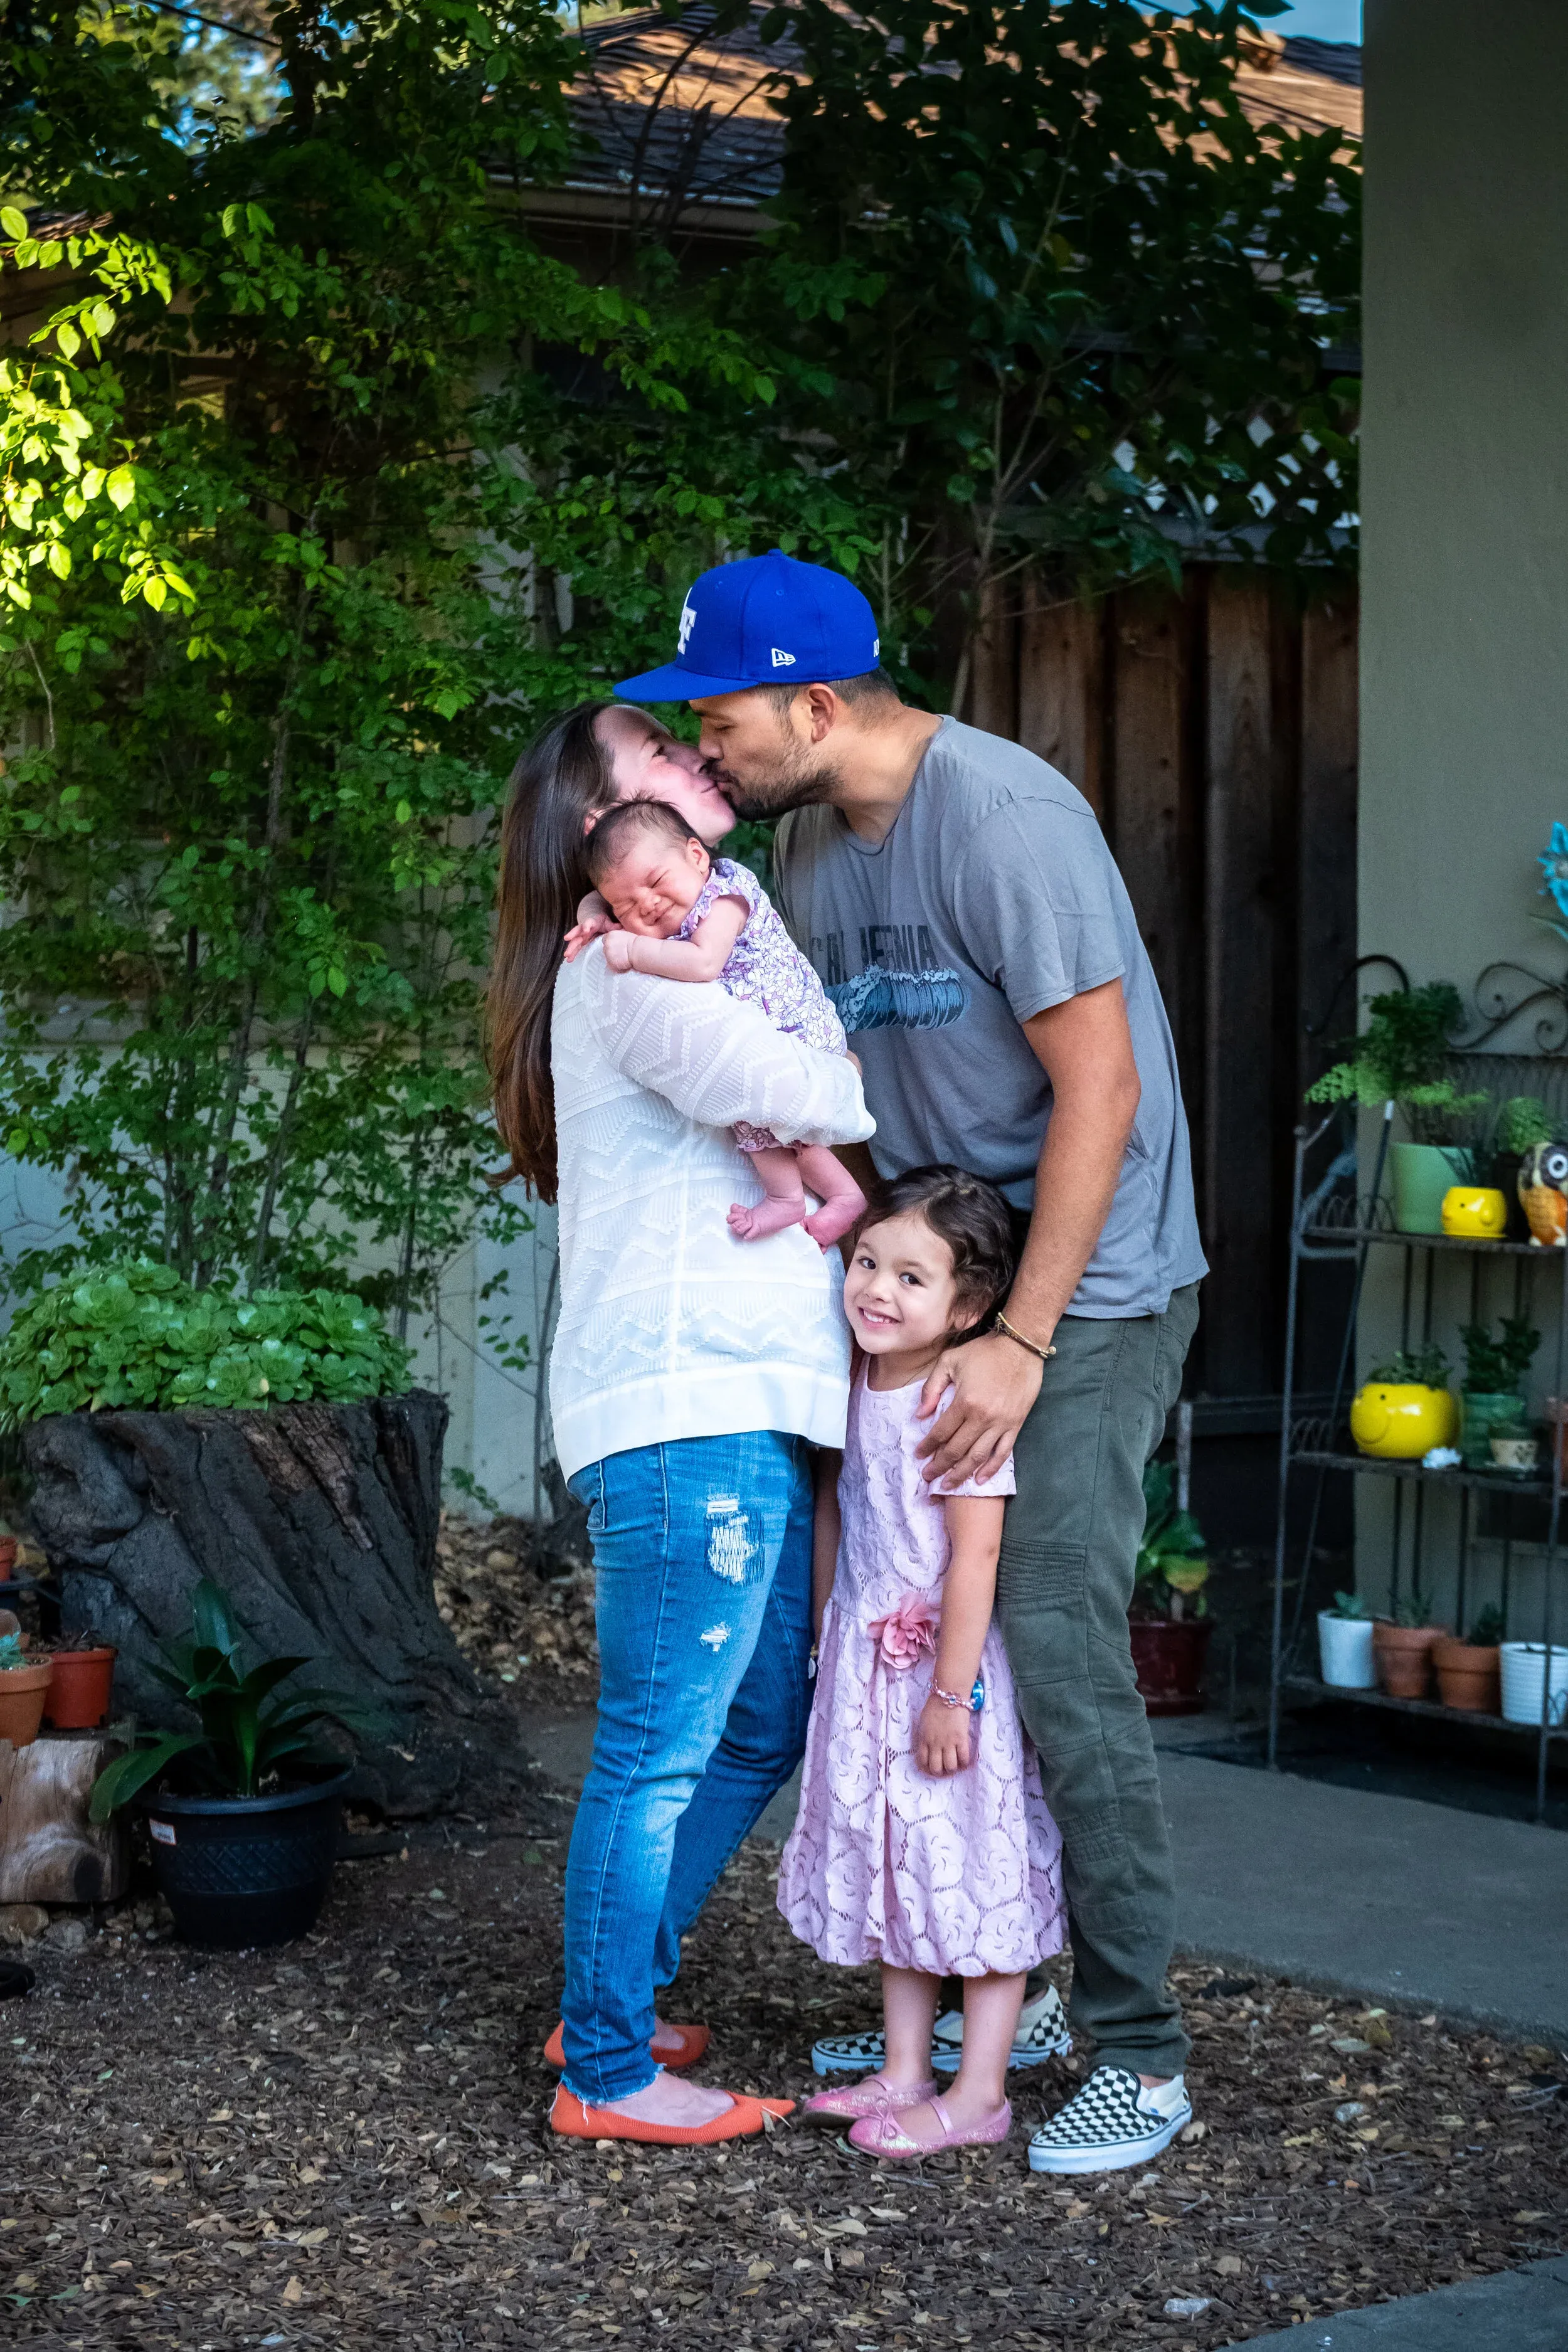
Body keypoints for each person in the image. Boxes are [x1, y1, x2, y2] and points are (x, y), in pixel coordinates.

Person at [615, 548, 1209, 2175]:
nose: (698, 747)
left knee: (1046, 1628)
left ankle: (1138, 2049)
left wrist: (1019, 1339)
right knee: (898, 1632)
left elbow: (1102, 1095)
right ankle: (957, 1996)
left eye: (715, 710)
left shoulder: (1003, 818)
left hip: (1087, 1291)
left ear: (814, 698)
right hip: (947, 1288)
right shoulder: (810, 850)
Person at [488, 695, 876, 2146]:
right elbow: (817, 1086)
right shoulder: (636, 967)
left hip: (735, 1391)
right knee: (656, 1743)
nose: (694, 763)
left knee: (757, 1717)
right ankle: (604, 2068)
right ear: (600, 828)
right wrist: (834, 1076)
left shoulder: (674, 942)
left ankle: (615, 1989)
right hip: (684, 1404)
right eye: (660, 754)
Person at [779, 1166, 1066, 2161]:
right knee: (897, 1874)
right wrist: (823, 1633)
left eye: (912, 1276)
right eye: (867, 1262)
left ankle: (980, 2088)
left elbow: (974, 1553)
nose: (876, 1289)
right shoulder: (850, 1381)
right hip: (865, 1666)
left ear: (969, 1306)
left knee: (971, 1867)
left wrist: (952, 1694)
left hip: (949, 1676)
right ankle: (905, 2069)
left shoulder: (957, 1402)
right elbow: (835, 1512)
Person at [563, 797, 866, 1246]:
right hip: (769, 1035)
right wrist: (593, 917)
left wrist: (633, 949)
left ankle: (815, 1197)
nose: (646, 904)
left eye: (656, 881)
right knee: (765, 1125)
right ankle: (816, 1197)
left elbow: (704, 962)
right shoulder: (668, 896)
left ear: (697, 856)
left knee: (770, 1114)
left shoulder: (725, 895)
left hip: (796, 1027)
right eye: (625, 906)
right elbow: (606, 892)